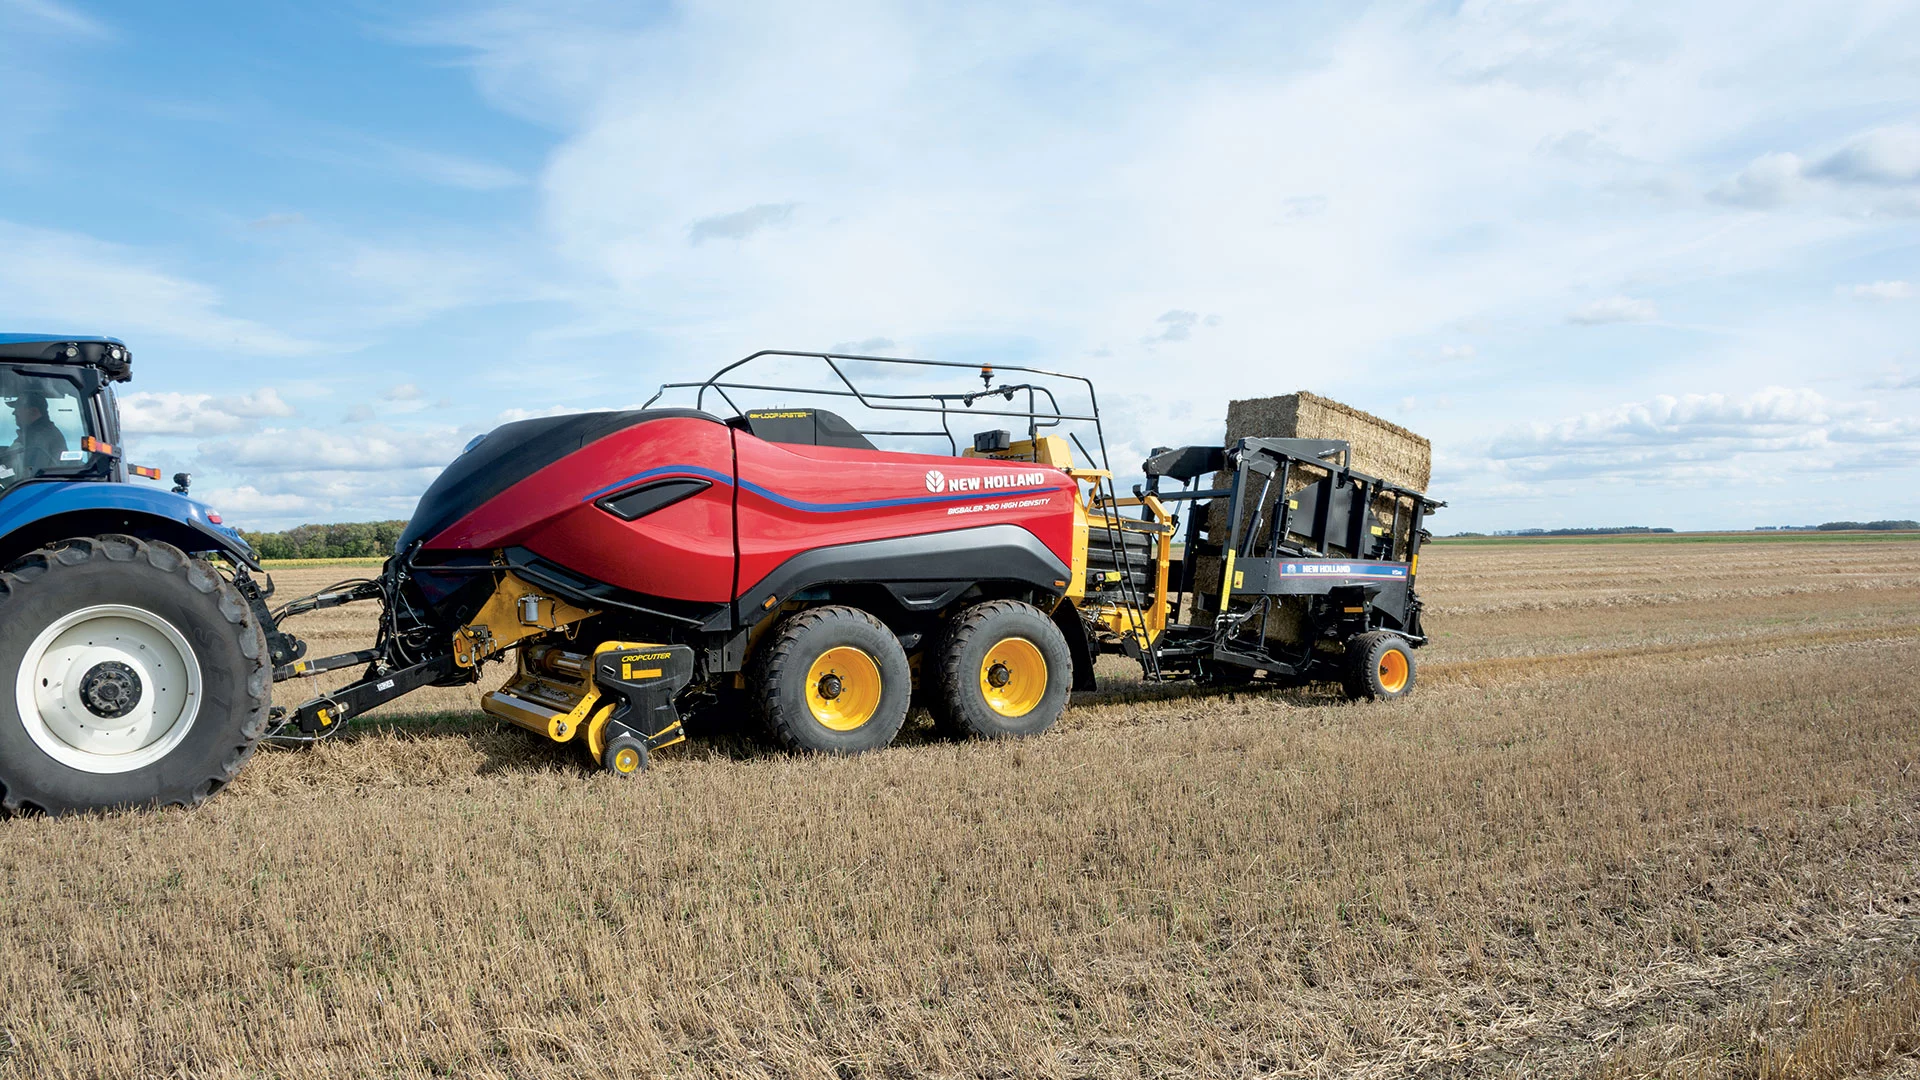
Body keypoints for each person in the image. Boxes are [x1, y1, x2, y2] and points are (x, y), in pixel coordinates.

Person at [5, 391, 69, 476]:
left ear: (33, 411)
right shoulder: (33, 434)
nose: (14, 413)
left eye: (18, 408)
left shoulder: (42, 436)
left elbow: (30, 472)